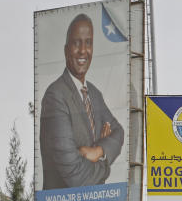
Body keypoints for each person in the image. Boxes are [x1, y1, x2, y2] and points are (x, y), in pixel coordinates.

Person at [39, 13, 125, 190]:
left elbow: (119, 132)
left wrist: (98, 151)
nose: (83, 50)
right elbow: (75, 176)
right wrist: (105, 164)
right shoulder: (55, 95)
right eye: (76, 43)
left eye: (88, 43)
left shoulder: (94, 94)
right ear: (66, 50)